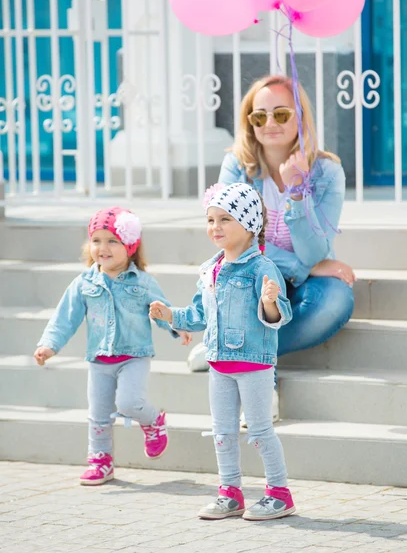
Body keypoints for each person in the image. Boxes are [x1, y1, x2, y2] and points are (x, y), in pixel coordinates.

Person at [150, 183, 295, 521]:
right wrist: (170, 315)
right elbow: (199, 315)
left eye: (225, 219)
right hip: (218, 364)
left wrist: (269, 301)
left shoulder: (262, 269)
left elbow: (279, 317)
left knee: (259, 432)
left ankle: (279, 493)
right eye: (211, 220)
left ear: (249, 224)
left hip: (254, 364)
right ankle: (230, 492)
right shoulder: (210, 270)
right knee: (223, 432)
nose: (215, 227)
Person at [216, 75, 355, 420]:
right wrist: (301, 266)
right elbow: (233, 243)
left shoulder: (326, 171)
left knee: (335, 300)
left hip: (304, 282)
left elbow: (314, 251)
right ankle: (262, 387)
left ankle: (231, 347)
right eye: (259, 116)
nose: (270, 124)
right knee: (244, 280)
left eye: (281, 114)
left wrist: (296, 193)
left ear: (301, 118)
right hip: (251, 279)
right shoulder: (237, 166)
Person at [33, 206, 191, 486]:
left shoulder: (142, 282)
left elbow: (161, 309)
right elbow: (64, 318)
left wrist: (176, 327)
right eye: (96, 240)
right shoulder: (84, 283)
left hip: (134, 356)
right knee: (99, 414)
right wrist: (49, 345)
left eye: (111, 241)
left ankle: (153, 421)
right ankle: (100, 461)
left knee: (129, 403)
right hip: (99, 359)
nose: (102, 248)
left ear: (130, 246)